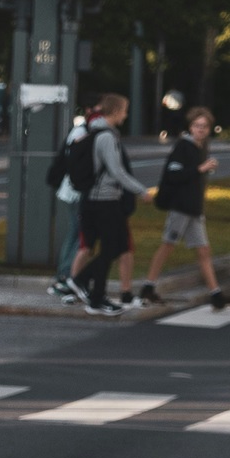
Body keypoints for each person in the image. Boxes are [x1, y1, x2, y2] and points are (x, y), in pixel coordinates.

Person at [68, 93, 153, 315]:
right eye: (124, 110)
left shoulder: (99, 132)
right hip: (104, 201)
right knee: (112, 248)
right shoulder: (106, 136)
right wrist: (141, 190)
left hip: (99, 201)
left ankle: (96, 297)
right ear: (115, 112)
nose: (126, 115)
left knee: (115, 247)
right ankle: (84, 283)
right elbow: (116, 171)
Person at [138, 107, 229, 310]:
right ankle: (148, 287)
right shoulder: (183, 147)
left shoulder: (201, 147)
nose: (201, 130)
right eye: (197, 126)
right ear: (191, 127)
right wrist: (200, 169)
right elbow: (174, 175)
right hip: (180, 207)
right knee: (168, 244)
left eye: (205, 126)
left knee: (204, 250)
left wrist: (203, 170)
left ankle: (216, 295)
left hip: (194, 208)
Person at [49, 110, 93, 303]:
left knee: (75, 233)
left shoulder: (80, 131)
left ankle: (64, 275)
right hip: (75, 191)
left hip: (72, 190)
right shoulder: (80, 133)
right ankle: (66, 277)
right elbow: (74, 162)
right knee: (79, 235)